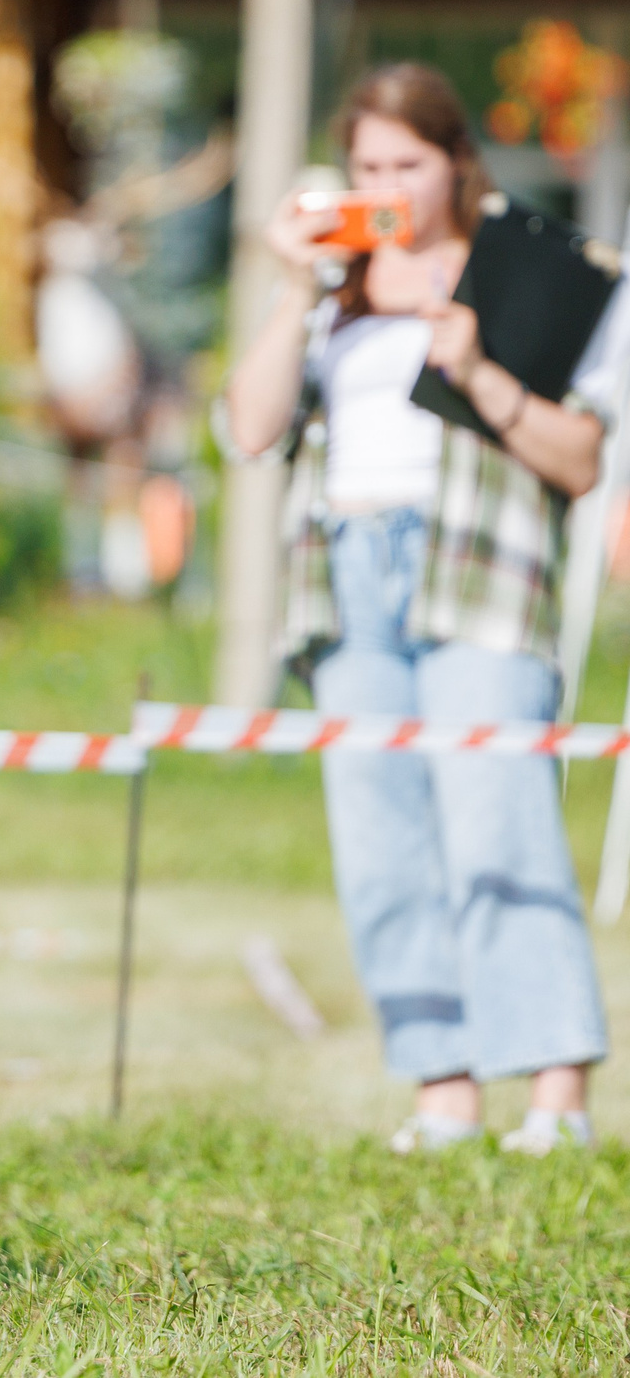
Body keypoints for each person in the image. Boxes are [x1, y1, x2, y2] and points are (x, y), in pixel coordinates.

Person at [226, 63, 614, 1155]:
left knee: (500, 822)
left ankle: (554, 1094)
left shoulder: (520, 271)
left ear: (454, 165)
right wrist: (294, 285)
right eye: (365, 166)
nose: (385, 184)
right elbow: (249, 430)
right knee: (379, 836)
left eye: (407, 163)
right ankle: (441, 1087)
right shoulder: (333, 288)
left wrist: (477, 367)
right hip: (347, 576)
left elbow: (579, 459)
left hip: (480, 575)